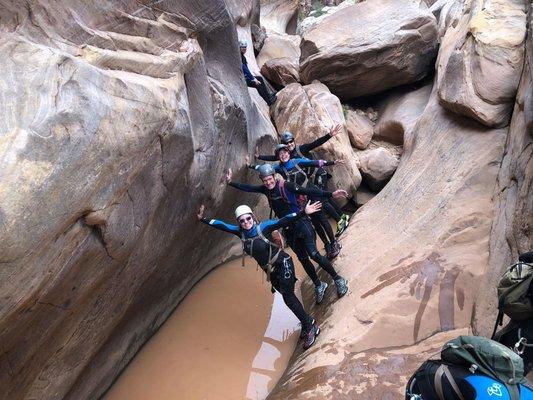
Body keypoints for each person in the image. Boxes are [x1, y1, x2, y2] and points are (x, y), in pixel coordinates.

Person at [197, 202, 321, 349]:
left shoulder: (263, 227)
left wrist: (303, 212)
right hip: (271, 271)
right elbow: (222, 225)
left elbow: (284, 220)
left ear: (253, 217)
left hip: (283, 264)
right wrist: (202, 219)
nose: (246, 222)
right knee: (288, 297)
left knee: (288, 298)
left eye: (248, 219)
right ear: (239, 222)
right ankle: (308, 322)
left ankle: (310, 327)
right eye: (242, 220)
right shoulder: (240, 232)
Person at [225, 164, 349, 304]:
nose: (268, 182)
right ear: (262, 180)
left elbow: (307, 190)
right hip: (289, 230)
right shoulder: (266, 190)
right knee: (302, 259)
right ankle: (318, 284)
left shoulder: (286, 185)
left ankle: (338, 279)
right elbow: (248, 188)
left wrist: (330, 194)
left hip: (302, 223)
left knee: (313, 254)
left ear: (274, 176)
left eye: (270, 179)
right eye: (265, 180)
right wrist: (230, 183)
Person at [255, 126, 351, 238]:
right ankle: (342, 217)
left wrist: (329, 135)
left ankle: (340, 220)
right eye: (287, 143)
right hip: (308, 180)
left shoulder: (301, 150)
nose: (290, 144)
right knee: (324, 198)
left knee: (323, 199)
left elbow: (316, 143)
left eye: (291, 141)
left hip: (318, 173)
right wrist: (258, 158)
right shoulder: (285, 156)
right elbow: (272, 159)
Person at [239, 39, 276, 106]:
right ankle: (268, 102)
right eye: (242, 47)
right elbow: (244, 68)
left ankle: (268, 96)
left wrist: (252, 77)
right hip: (242, 79)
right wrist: (252, 78)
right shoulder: (240, 57)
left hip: (244, 77)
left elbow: (246, 68)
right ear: (239, 48)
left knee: (260, 78)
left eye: (245, 47)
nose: (244, 49)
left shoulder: (242, 56)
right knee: (257, 84)